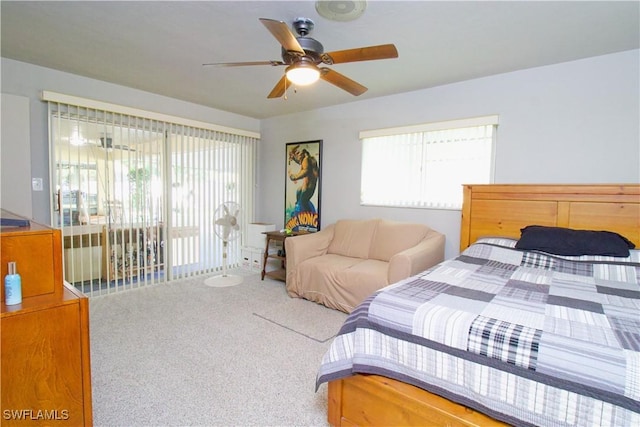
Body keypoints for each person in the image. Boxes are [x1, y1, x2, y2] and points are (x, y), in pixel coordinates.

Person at [288, 145, 319, 216]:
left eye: (298, 153)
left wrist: (292, 176)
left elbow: (304, 172)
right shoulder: (306, 159)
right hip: (306, 186)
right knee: (299, 192)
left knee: (303, 202)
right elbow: (300, 161)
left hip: (309, 188)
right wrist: (293, 157)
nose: (297, 155)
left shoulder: (307, 161)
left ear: (303, 154)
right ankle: (298, 212)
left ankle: (308, 216)